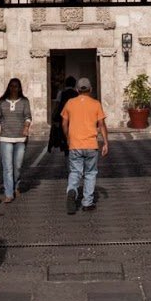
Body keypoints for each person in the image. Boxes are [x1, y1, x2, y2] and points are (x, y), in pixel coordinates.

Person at [60, 77, 109, 214]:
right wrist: (105, 143)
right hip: (91, 144)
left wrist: (68, 138)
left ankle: (72, 191)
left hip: (75, 144)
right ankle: (87, 203)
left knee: (75, 172)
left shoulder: (70, 103)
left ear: (77, 90)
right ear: (91, 89)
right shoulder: (96, 104)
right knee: (90, 173)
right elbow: (101, 125)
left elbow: (64, 124)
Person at [0, 78, 32, 202]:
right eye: (12, 86)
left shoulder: (24, 101)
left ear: (19, 88)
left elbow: (28, 116)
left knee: (17, 166)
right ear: (8, 87)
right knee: (7, 167)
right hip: (5, 137)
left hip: (20, 138)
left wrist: (26, 127)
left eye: (16, 86)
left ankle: (16, 185)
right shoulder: (2, 102)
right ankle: (9, 193)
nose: (14, 88)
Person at [47, 74, 75, 154]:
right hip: (73, 117)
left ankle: (64, 146)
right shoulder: (76, 94)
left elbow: (57, 105)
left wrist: (53, 114)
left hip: (63, 116)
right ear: (74, 84)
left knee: (63, 133)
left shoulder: (61, 93)